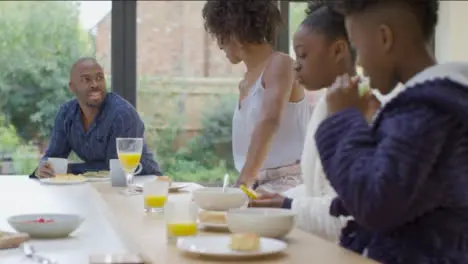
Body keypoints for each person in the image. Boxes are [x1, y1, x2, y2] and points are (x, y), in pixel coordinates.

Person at [315, 0, 468, 262]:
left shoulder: (426, 110)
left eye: (358, 48)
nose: (359, 62)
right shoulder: (440, 104)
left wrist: (342, 118)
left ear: (384, 38)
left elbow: (374, 200)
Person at [250, 2, 380, 242]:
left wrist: (288, 205)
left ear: (339, 50)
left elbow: (348, 213)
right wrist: (276, 199)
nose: (296, 64)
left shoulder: (369, 108)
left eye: (303, 54)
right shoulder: (325, 104)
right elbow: (317, 190)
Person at [202, 0, 311, 193]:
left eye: (221, 35)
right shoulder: (246, 82)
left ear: (236, 32)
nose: (219, 44)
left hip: (287, 185)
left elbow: (270, 121)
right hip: (256, 185)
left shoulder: (280, 64)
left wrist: (244, 180)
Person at [33, 57, 162, 178]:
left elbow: (115, 168)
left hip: (141, 183)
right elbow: (53, 157)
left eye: (100, 78)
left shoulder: (122, 114)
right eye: (86, 79)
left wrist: (69, 168)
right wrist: (44, 167)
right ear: (72, 87)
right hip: (99, 185)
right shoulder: (66, 114)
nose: (95, 84)